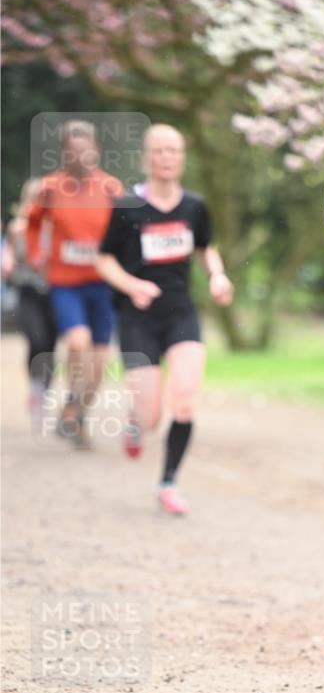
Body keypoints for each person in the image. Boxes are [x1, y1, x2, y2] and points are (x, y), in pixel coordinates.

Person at [96, 124, 234, 516]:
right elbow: (103, 259)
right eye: (159, 151)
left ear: (182, 158)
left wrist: (218, 276)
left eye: (174, 151)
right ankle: (136, 421)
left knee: (186, 401)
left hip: (180, 313)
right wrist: (132, 284)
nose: (167, 158)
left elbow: (207, 248)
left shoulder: (194, 205)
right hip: (137, 317)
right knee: (150, 414)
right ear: (146, 157)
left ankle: (169, 481)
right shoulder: (126, 207)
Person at [25, 121, 123, 448]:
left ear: (96, 149)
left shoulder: (111, 188)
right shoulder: (50, 187)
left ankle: (75, 413)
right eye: (74, 149)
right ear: (65, 152)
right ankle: (71, 412)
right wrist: (37, 252)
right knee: (78, 344)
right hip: (65, 283)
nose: (81, 155)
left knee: (99, 363)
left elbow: (128, 229)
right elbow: (33, 222)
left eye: (86, 148)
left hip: (102, 285)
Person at [2, 179, 58, 429]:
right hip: (27, 291)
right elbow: (9, 254)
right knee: (36, 339)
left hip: (55, 292)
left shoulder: (57, 227)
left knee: (49, 344)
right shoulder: (18, 228)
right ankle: (35, 387)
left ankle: (43, 391)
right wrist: (8, 263)